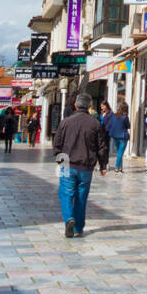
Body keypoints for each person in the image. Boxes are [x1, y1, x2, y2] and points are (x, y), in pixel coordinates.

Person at [52, 93, 109, 238]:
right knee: (81, 196)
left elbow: (57, 144)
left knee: (65, 193)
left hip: (66, 163)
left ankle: (69, 219)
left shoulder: (66, 122)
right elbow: (102, 147)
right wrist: (103, 165)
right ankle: (78, 226)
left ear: (76, 105)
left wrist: (60, 162)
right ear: (90, 106)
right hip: (86, 166)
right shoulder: (95, 123)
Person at [107, 101, 130, 173]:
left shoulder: (114, 116)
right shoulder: (125, 117)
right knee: (120, 153)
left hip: (115, 136)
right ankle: (117, 167)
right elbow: (128, 126)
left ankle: (120, 168)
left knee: (119, 152)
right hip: (123, 137)